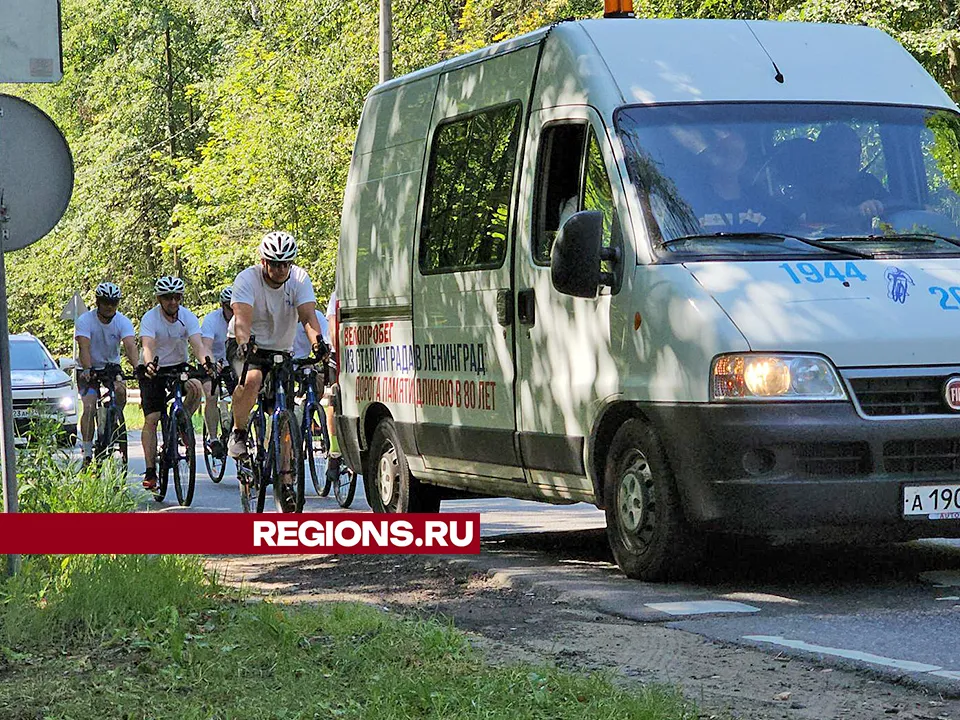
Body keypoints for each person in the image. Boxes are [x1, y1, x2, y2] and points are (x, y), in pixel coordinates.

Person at [226, 231, 328, 468]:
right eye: (274, 264)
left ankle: (287, 477)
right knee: (252, 379)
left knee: (284, 413)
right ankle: (238, 432)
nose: (281, 269)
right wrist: (244, 344)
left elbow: (308, 317)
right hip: (246, 343)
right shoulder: (247, 279)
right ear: (263, 261)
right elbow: (242, 320)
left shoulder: (299, 279)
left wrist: (318, 344)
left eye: (286, 264)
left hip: (281, 348)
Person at [138, 276, 211, 491]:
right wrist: (149, 364)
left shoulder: (187, 317)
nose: (173, 302)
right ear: (160, 299)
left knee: (196, 388)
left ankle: (181, 425)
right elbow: (148, 345)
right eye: (168, 298)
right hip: (155, 368)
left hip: (178, 366)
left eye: (177, 297)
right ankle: (151, 470)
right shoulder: (150, 318)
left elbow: (197, 344)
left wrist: (206, 362)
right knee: (152, 418)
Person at [74, 282, 139, 467]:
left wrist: (137, 368)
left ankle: (113, 421)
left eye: (114, 302)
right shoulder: (86, 320)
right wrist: (87, 369)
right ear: (98, 302)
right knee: (89, 407)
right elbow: (84, 347)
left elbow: (129, 346)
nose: (110, 306)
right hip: (90, 367)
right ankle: (87, 453)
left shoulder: (122, 321)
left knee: (120, 391)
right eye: (105, 302)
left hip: (111, 367)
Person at [694, 128, 788, 232]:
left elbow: (777, 240)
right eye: (724, 151)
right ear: (712, 154)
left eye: (736, 151)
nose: (731, 157)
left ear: (744, 156)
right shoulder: (693, 200)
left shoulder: (761, 203)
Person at [812, 123, 887, 225]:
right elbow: (821, 213)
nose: (855, 160)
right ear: (827, 157)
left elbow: (895, 206)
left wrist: (878, 206)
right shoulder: (810, 187)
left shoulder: (867, 183)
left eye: (857, 154)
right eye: (846, 155)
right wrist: (858, 211)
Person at [200, 286, 235, 459]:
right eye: (229, 307)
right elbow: (205, 346)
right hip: (212, 361)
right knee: (211, 394)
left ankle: (235, 430)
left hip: (233, 364)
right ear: (222, 306)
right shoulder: (212, 320)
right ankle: (213, 439)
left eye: (235, 307)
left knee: (243, 393)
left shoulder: (244, 318)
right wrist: (212, 362)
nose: (233, 311)